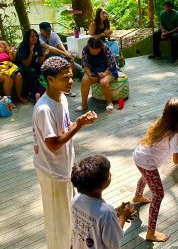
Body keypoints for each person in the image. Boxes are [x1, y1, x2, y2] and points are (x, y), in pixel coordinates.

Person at [32, 56, 97, 249]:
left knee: (68, 215)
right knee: (57, 221)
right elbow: (53, 144)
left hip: (64, 167)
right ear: (50, 79)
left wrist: (78, 121)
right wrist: (79, 125)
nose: (70, 81)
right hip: (52, 172)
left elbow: (64, 127)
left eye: (70, 76)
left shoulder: (61, 98)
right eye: (64, 78)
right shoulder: (44, 109)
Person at [131, 97, 178, 242]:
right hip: (147, 162)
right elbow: (177, 160)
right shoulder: (176, 135)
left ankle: (137, 196)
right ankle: (150, 233)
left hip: (139, 156)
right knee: (159, 194)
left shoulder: (164, 123)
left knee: (145, 176)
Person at [71, 155, 136, 249]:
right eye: (108, 173)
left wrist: (115, 211)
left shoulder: (75, 199)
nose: (110, 174)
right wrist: (123, 217)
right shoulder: (107, 213)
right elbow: (113, 243)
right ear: (100, 186)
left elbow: (91, 216)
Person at [76, 37, 118, 113]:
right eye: (93, 51)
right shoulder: (85, 49)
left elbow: (112, 64)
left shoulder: (105, 48)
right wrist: (89, 74)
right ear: (89, 46)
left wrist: (104, 74)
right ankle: (84, 104)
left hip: (108, 70)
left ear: (101, 46)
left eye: (97, 50)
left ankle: (109, 102)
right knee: (85, 80)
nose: (95, 52)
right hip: (93, 70)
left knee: (103, 82)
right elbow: (84, 65)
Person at [38, 22, 78, 98]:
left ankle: (67, 82)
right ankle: (62, 86)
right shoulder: (38, 37)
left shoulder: (54, 35)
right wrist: (65, 54)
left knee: (70, 61)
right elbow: (49, 48)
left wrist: (68, 55)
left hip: (56, 55)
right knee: (57, 65)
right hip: (44, 57)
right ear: (41, 30)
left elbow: (61, 47)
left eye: (49, 30)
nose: (48, 33)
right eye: (46, 31)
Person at [16, 29, 48, 101]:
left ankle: (43, 90)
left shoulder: (37, 45)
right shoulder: (22, 47)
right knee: (32, 71)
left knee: (44, 68)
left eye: (36, 36)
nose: (35, 38)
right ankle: (31, 94)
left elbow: (40, 62)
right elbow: (26, 64)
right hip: (20, 65)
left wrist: (44, 54)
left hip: (31, 63)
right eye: (32, 36)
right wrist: (31, 52)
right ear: (27, 38)